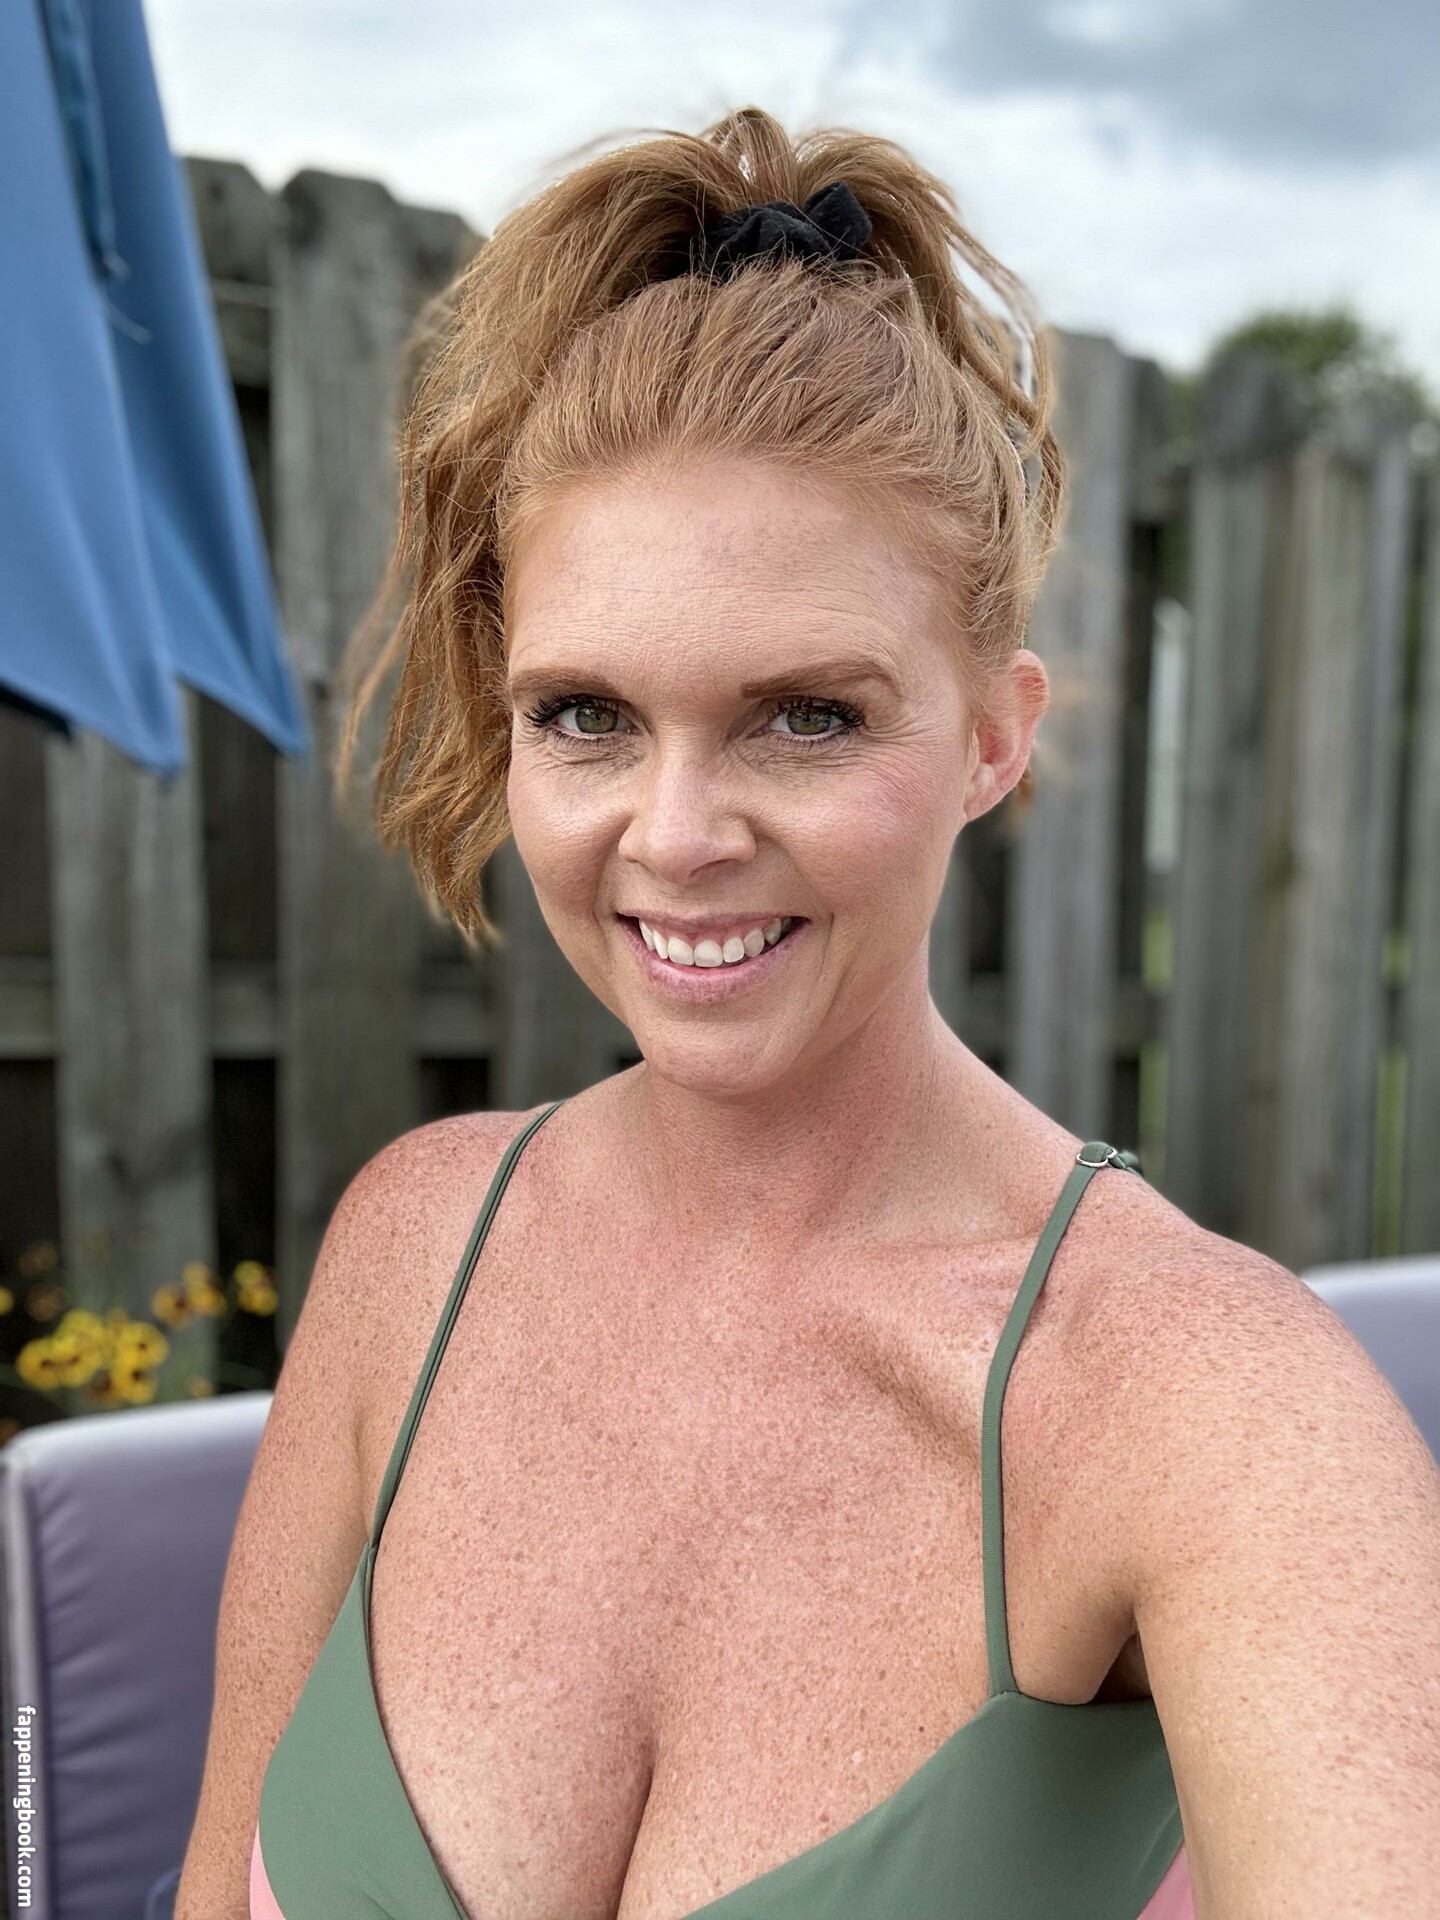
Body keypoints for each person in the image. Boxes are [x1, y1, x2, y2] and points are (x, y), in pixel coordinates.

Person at [178, 107, 1440, 1920]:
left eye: (807, 716)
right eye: (587, 716)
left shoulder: (1215, 1416)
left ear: (994, 735)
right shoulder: (412, 1255)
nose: (675, 835)